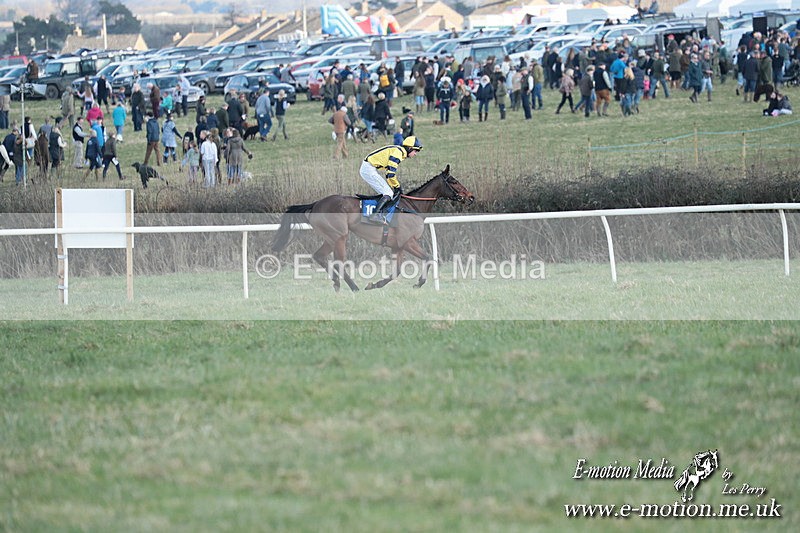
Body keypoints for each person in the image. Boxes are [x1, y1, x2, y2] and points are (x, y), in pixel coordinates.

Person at [360, 136, 423, 222]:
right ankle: (374, 216)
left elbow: (388, 175)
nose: (415, 154)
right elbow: (390, 174)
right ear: (409, 148)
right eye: (415, 151)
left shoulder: (399, 151)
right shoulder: (398, 153)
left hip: (369, 167)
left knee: (388, 193)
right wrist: (397, 186)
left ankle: (380, 214)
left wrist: (395, 186)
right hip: (368, 169)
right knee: (388, 193)